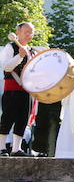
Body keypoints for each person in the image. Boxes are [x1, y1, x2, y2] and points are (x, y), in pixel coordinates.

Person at [0, 23, 45, 156]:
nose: (28, 35)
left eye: (31, 32)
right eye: (26, 32)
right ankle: (1, 147)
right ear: (17, 32)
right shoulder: (11, 47)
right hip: (12, 89)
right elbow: (6, 67)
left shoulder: (31, 50)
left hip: (27, 90)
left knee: (22, 119)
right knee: (8, 118)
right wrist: (19, 56)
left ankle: (16, 149)